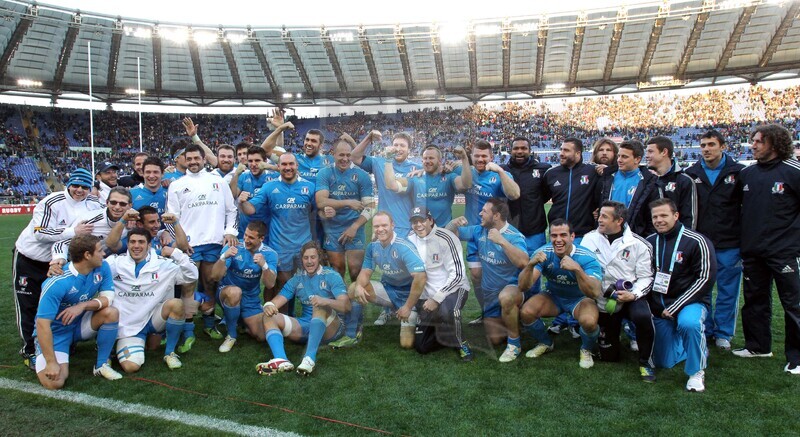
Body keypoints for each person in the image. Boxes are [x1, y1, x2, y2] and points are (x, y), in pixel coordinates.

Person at [13, 168, 102, 369]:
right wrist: (73, 231)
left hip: (61, 261)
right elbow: (39, 232)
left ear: (90, 188)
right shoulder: (52, 201)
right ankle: (30, 350)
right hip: (30, 258)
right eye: (76, 185)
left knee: (58, 304)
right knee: (29, 305)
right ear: (68, 185)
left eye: (85, 187)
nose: (79, 190)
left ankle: (60, 342)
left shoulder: (94, 203)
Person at [734, 124, 800, 375]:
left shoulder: (794, 171)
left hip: (784, 251)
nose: (754, 145)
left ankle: (797, 358)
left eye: (759, 141)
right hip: (753, 249)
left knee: (793, 305)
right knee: (754, 300)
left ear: (775, 143)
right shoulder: (748, 174)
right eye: (753, 141)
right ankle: (758, 346)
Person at [166, 143, 238, 345]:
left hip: (214, 242)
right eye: (189, 159)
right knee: (188, 286)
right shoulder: (177, 185)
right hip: (189, 245)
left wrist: (230, 232)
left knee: (210, 283)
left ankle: (208, 324)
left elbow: (231, 210)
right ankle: (188, 330)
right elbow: (171, 218)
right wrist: (180, 242)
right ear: (184, 161)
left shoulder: (218, 181)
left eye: (196, 158)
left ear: (204, 159)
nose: (193, 162)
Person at [33, 235, 122, 389]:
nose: (103, 254)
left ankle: (101, 365)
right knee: (55, 382)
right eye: (100, 251)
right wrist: (51, 362)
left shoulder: (103, 267)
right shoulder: (57, 282)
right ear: (87, 255)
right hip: (56, 333)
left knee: (111, 312)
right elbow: (42, 325)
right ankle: (42, 354)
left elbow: (108, 298)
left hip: (78, 324)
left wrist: (82, 306)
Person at [581, 201, 656, 381]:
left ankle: (646, 361)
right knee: (609, 357)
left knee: (643, 317)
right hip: (602, 298)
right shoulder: (589, 239)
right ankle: (611, 340)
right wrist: (605, 292)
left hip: (630, 297)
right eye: (600, 215)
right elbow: (584, 272)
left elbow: (647, 277)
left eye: (605, 217)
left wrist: (633, 294)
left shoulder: (640, 244)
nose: (599, 220)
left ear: (619, 221)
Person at [684, 130, 745, 350]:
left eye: (711, 144)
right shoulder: (691, 173)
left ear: (723, 146)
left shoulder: (739, 172)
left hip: (730, 242)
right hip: (702, 243)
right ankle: (706, 329)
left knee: (728, 290)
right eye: (703, 145)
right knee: (702, 289)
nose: (707, 149)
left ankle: (723, 333)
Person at [646, 198, 716, 392]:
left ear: (676, 216)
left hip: (690, 303)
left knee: (689, 324)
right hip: (661, 307)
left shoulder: (697, 241)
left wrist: (676, 306)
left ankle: (696, 372)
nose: (659, 220)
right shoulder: (650, 242)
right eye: (655, 217)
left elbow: (705, 279)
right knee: (663, 362)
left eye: (663, 215)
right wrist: (655, 307)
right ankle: (693, 347)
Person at [107, 228, 198, 372]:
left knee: (176, 304)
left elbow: (192, 276)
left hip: (153, 318)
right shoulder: (115, 263)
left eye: (141, 242)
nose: (136, 246)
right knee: (131, 367)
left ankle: (170, 353)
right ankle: (112, 347)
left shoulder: (164, 264)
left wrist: (175, 253)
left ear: (149, 245)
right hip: (128, 325)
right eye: (133, 242)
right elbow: (94, 272)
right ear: (128, 244)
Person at [331, 212, 427, 349]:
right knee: (353, 289)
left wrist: (406, 307)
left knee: (406, 344)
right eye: (377, 226)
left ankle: (413, 314)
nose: (380, 229)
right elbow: (365, 272)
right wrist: (359, 285)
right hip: (388, 291)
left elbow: (420, 277)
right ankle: (352, 333)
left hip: (408, 296)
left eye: (384, 225)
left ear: (392, 225)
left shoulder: (403, 246)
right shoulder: (373, 247)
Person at [449, 198, 528, 361]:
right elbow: (449, 233)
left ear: (496, 215)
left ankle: (515, 343)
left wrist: (502, 241)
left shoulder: (514, 236)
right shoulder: (479, 230)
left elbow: (523, 262)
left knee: (506, 299)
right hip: (490, 297)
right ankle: (513, 319)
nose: (480, 213)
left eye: (484, 211)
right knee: (495, 339)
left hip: (511, 290)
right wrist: (453, 223)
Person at [517, 219, 603, 369]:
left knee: (589, 322)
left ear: (572, 237)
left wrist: (577, 269)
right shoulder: (543, 253)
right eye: (554, 235)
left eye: (563, 235)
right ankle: (546, 342)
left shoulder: (586, 256)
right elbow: (524, 286)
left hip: (579, 299)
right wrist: (530, 265)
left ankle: (586, 349)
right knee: (526, 312)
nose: (558, 240)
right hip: (553, 296)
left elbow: (595, 292)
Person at [256, 242, 350, 376]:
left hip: (332, 328)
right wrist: (269, 306)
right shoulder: (297, 279)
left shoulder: (331, 275)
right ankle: (281, 360)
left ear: (319, 258)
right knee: (268, 315)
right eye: (306, 258)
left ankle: (309, 359)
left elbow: (346, 306)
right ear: (302, 259)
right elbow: (277, 300)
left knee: (319, 306)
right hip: (306, 326)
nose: (309, 261)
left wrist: (325, 301)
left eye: (313, 257)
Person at [240, 153, 315, 309]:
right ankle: (284, 323)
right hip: (280, 246)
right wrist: (242, 202)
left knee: (309, 287)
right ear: (278, 167)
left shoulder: (310, 187)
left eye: (291, 164)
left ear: (297, 166)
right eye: (284, 164)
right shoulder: (269, 187)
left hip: (304, 246)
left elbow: (317, 212)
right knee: (283, 287)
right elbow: (251, 209)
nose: (288, 168)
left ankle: (308, 323)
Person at [542, 138, 600, 336]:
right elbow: (539, 197)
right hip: (557, 235)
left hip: (582, 234)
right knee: (556, 276)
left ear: (578, 153)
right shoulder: (552, 174)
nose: (561, 153)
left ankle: (576, 320)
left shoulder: (592, 172)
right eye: (561, 150)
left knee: (577, 277)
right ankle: (561, 319)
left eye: (566, 150)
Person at [461, 140, 521, 325]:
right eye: (476, 156)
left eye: (484, 156)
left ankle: (508, 311)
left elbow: (514, 195)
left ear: (491, 157)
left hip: (496, 234)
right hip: (474, 234)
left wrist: (501, 171)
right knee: (477, 276)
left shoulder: (500, 174)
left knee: (499, 276)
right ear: (471, 157)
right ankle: (486, 312)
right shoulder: (466, 173)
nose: (480, 159)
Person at [406, 207, 473, 361]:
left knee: (447, 311)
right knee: (422, 347)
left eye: (422, 220)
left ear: (430, 220)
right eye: (414, 222)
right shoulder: (410, 240)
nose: (418, 225)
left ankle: (461, 343)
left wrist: (436, 298)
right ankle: (447, 334)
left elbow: (457, 275)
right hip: (427, 296)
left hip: (454, 289)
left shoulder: (447, 238)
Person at [209, 221, 278, 353]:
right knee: (235, 292)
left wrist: (264, 266)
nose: (246, 240)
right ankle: (231, 335)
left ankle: (240, 321)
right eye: (245, 235)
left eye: (251, 238)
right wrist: (224, 257)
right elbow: (215, 276)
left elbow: (270, 284)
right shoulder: (233, 247)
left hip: (250, 298)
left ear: (261, 238)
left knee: (261, 336)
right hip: (227, 291)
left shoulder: (270, 254)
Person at [315, 139, 376, 280]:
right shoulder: (324, 173)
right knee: (337, 270)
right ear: (333, 154)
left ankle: (356, 301)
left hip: (355, 227)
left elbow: (371, 207)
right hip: (332, 228)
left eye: (348, 155)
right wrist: (348, 203)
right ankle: (340, 301)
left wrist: (354, 227)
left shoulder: (362, 175)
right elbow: (320, 201)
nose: (345, 159)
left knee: (356, 271)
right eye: (341, 155)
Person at [351, 131, 421, 238]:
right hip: (383, 226)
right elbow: (354, 157)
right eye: (395, 145)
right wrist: (368, 138)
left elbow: (393, 186)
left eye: (402, 145)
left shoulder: (416, 168)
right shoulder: (378, 162)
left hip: (406, 227)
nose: (398, 148)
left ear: (409, 150)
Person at [384, 145, 472, 227]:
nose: (427, 161)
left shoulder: (449, 177)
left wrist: (464, 158)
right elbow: (391, 185)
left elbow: (465, 185)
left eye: (431, 158)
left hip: (444, 232)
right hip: (421, 233)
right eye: (425, 158)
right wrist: (388, 159)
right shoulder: (415, 178)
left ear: (439, 161)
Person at [50, 187, 132, 264]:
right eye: (113, 202)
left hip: (106, 262)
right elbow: (62, 242)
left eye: (122, 204)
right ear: (107, 203)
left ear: (130, 206)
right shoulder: (90, 221)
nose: (117, 207)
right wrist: (59, 258)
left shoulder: (133, 221)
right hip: (78, 263)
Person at [599, 140, 661, 237]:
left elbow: (652, 216)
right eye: (619, 156)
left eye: (624, 157)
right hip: (605, 235)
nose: (619, 160)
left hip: (634, 237)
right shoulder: (607, 177)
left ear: (637, 159)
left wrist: (645, 239)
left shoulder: (648, 182)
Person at [645, 136, 697, 229]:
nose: (646, 156)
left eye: (650, 151)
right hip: (650, 239)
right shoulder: (646, 181)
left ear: (664, 152)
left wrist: (684, 241)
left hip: (677, 239)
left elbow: (689, 217)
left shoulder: (684, 180)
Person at [230, 146, 277, 240]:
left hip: (267, 232)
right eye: (250, 161)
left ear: (265, 161)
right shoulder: (243, 176)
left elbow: (295, 173)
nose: (253, 164)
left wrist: (271, 167)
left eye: (257, 160)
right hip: (245, 231)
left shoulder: (274, 176)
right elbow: (232, 195)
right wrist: (236, 175)